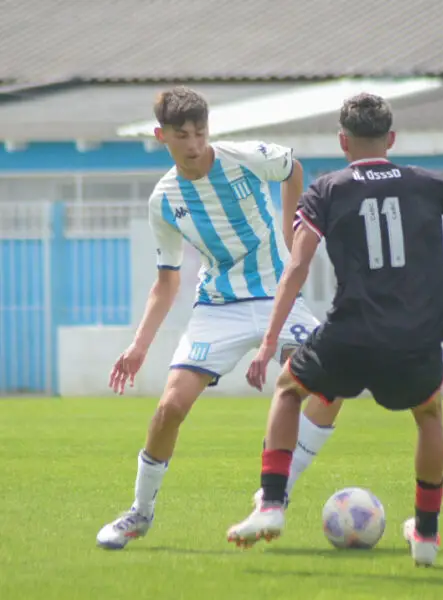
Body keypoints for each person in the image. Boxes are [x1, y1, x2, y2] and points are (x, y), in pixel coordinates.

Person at [226, 93, 443, 566]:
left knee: (288, 389)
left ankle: (270, 504)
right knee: (428, 416)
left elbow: (297, 265)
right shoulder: (429, 184)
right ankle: (425, 535)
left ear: (343, 141)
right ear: (391, 138)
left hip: (350, 333)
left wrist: (269, 342)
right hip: (416, 338)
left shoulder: (326, 189)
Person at [96, 86, 343, 550]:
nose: (194, 144)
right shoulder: (164, 200)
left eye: (200, 132)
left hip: (276, 294)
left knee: (329, 384)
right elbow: (166, 281)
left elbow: (292, 168)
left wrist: (291, 233)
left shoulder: (244, 158)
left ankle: (278, 489)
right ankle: (140, 513)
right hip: (218, 307)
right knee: (169, 408)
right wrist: (139, 346)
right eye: (182, 135)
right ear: (161, 136)